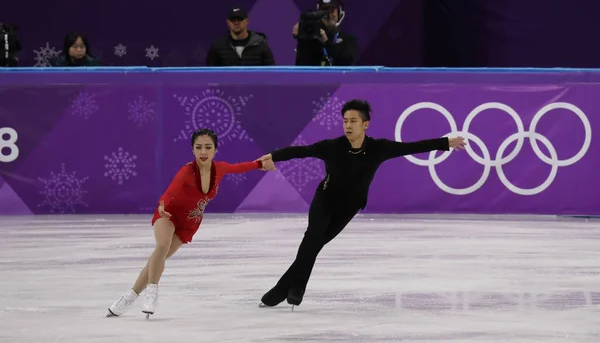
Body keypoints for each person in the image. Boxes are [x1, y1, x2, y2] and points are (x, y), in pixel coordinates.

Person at [257, 99, 466, 308]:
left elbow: (411, 147)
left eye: (353, 121)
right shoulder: (332, 147)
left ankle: (288, 287)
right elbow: (300, 151)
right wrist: (274, 156)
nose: (348, 125)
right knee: (312, 239)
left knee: (315, 245)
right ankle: (292, 289)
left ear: (365, 124)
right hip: (325, 199)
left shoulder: (378, 148)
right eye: (345, 121)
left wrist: (445, 142)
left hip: (349, 207)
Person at [107, 129, 275, 318]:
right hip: (168, 214)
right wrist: (162, 203)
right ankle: (151, 293)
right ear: (193, 150)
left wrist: (260, 163)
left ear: (215, 150)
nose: (203, 152)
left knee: (158, 258)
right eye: (199, 147)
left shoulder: (220, 169)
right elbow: (171, 190)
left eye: (208, 147)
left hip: (189, 223)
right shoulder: (186, 171)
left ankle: (129, 297)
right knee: (162, 246)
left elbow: (240, 167)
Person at [293, 0, 358, 66]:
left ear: (339, 14)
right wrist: (301, 40)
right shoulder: (313, 41)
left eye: (332, 11)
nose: (329, 15)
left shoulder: (349, 40)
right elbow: (302, 67)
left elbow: (347, 61)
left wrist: (326, 43)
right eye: (324, 11)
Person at [205, 7, 275, 66]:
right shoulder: (218, 46)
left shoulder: (260, 44)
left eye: (240, 19)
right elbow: (210, 74)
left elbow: (271, 72)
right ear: (228, 22)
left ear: (247, 21)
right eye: (233, 20)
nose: (236, 23)